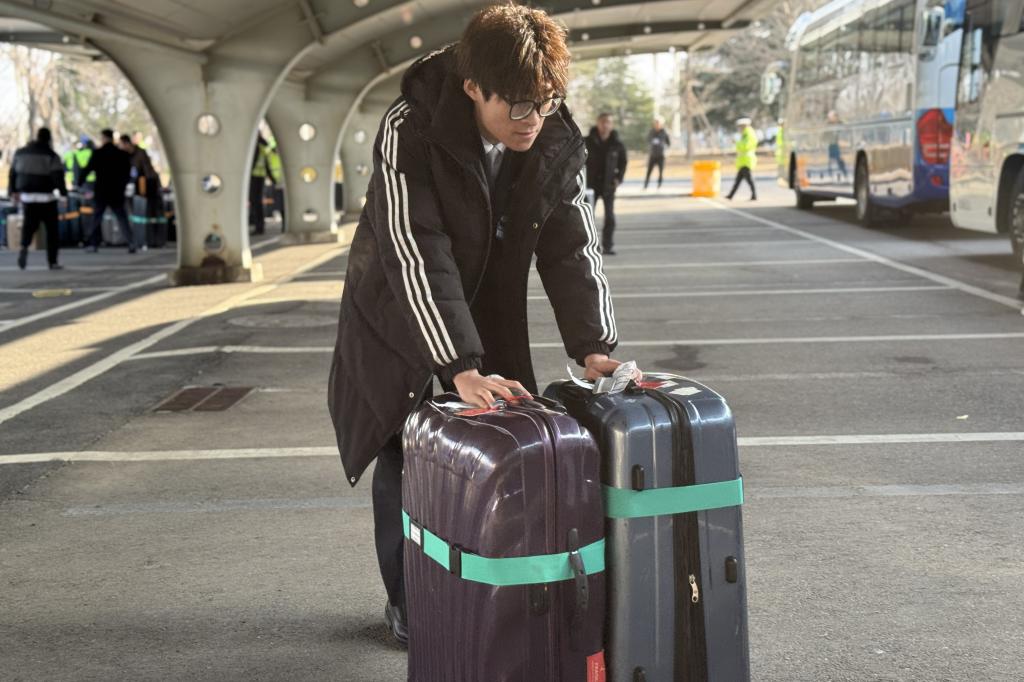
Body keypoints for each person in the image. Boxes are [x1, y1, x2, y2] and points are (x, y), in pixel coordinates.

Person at [327, 4, 622, 648]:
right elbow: (415, 248)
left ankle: (497, 594)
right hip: (398, 310)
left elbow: (572, 244)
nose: (532, 118)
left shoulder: (550, 130)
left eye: (545, 101)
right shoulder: (411, 126)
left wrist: (594, 345)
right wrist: (457, 364)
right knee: (408, 450)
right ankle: (409, 600)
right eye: (517, 105)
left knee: (503, 448)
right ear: (472, 87)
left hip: (487, 307)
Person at [8, 127, 68, 270]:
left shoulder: (20, 153)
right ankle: (52, 262)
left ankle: (24, 247)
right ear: (49, 139)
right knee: (52, 231)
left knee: (29, 227)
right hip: (47, 198)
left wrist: (13, 191)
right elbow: (58, 176)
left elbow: (12, 174)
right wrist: (63, 194)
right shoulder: (51, 155)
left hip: (27, 197)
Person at [81, 129, 134, 253]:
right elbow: (127, 173)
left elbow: (87, 169)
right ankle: (131, 243)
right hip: (116, 191)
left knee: (97, 218)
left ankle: (93, 244)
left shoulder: (98, 153)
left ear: (104, 138)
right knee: (122, 218)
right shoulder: (121, 154)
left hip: (102, 191)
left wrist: (79, 182)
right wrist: (123, 185)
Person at [585, 112, 627, 254]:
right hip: (590, 186)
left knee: (610, 217)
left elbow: (623, 163)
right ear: (598, 123)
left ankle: (607, 246)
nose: (605, 125)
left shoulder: (617, 144)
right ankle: (588, 246)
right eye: (603, 122)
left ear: (612, 125)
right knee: (587, 217)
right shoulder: (587, 142)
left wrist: (618, 179)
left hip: (608, 185)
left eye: (608, 122)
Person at [119, 134, 162, 250]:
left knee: (146, 213)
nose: (120, 147)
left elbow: (146, 172)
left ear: (127, 144)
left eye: (121, 145)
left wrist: (144, 188)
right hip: (135, 187)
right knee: (135, 214)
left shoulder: (140, 153)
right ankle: (139, 238)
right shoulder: (127, 155)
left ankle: (148, 239)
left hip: (146, 186)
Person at [249, 135, 276, 235]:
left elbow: (253, 162)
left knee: (255, 202)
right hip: (261, 176)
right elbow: (266, 164)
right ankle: (259, 225)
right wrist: (272, 178)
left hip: (254, 176)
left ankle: (258, 226)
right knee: (258, 203)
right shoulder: (263, 147)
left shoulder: (255, 146)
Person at [726, 117, 758, 201]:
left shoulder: (749, 134)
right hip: (743, 160)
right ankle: (731, 195)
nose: (739, 128)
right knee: (739, 180)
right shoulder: (745, 134)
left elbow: (745, 146)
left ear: (744, 125)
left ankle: (754, 195)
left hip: (747, 160)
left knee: (748, 179)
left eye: (740, 126)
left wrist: (736, 143)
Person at [644, 117, 670, 190]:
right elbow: (648, 140)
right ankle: (646, 185)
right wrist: (652, 143)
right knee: (649, 171)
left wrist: (664, 147)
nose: (657, 125)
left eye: (658, 123)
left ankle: (659, 184)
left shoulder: (664, 132)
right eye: (656, 123)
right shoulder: (651, 131)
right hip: (653, 154)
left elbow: (668, 143)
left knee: (661, 171)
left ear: (661, 124)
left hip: (661, 155)